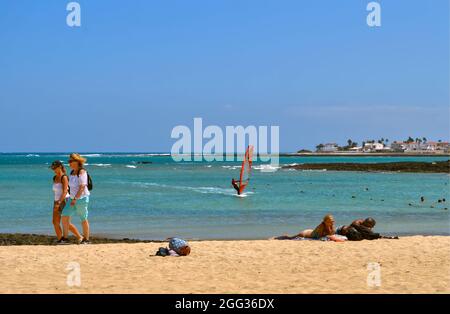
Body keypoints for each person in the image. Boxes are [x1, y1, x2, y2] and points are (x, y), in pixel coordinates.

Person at [50, 161, 82, 243]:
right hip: (56, 201)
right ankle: (60, 239)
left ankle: (79, 237)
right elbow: (56, 191)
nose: (53, 169)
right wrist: (56, 202)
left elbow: (65, 191)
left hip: (64, 200)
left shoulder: (64, 177)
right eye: (52, 168)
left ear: (60, 166)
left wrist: (59, 202)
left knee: (66, 222)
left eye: (55, 168)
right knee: (55, 222)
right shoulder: (54, 177)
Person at [62, 153, 91, 244]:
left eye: (71, 161)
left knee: (83, 218)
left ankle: (86, 239)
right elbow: (71, 188)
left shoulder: (82, 172)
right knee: (64, 216)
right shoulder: (72, 172)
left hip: (81, 199)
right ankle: (65, 238)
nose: (69, 163)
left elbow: (82, 187)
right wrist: (69, 197)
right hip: (71, 199)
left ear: (77, 161)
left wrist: (75, 199)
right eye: (69, 161)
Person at [273, 214, 344, 242]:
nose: (333, 221)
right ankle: (278, 238)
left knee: (291, 237)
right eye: (331, 221)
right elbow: (318, 237)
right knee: (291, 238)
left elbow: (332, 233)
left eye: (333, 220)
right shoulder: (321, 226)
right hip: (305, 233)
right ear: (326, 221)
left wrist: (330, 229)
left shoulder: (331, 225)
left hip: (310, 231)